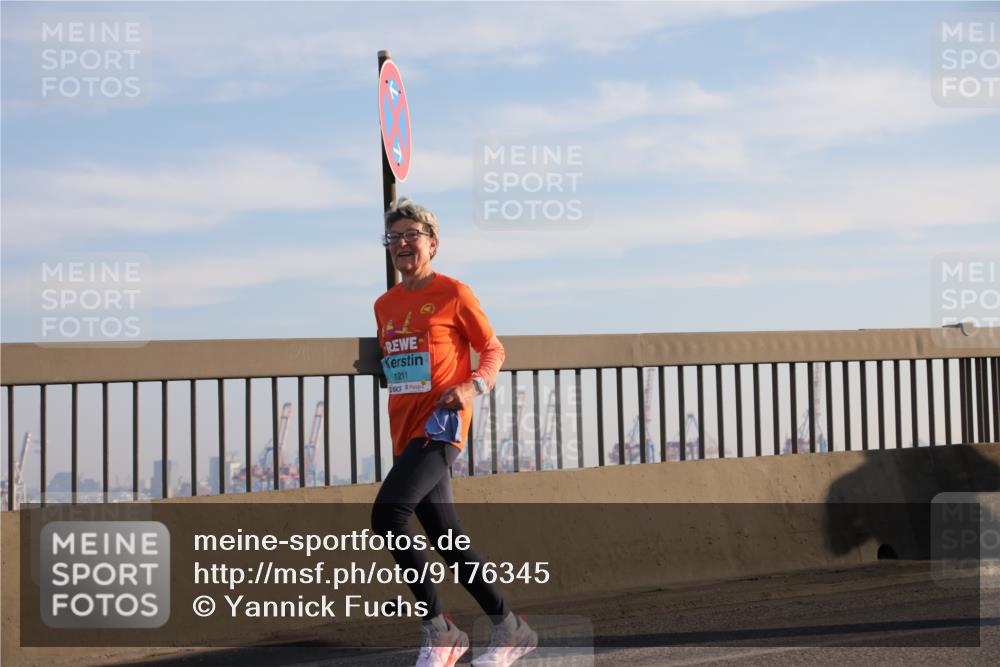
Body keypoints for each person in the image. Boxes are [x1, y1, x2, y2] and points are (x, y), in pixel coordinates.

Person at [372, 200, 538, 667]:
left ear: (432, 244)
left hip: (440, 428)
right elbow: (400, 365)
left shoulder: (454, 293)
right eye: (394, 238)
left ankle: (439, 629)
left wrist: (472, 385)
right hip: (405, 432)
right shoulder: (383, 305)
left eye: (412, 235)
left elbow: (493, 348)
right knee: (449, 539)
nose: (402, 244)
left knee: (387, 515)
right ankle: (511, 628)